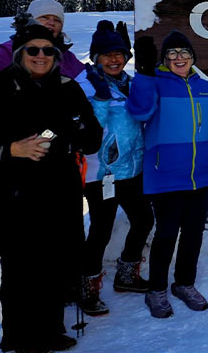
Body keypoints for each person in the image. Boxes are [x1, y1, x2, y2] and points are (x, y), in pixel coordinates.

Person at [0, 24, 102, 352]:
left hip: (60, 198)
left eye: (48, 50)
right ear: (19, 53)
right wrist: (9, 150)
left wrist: (67, 131)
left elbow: (91, 138)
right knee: (20, 276)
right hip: (13, 199)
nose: (41, 56)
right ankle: (18, 340)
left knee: (55, 271)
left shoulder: (68, 89)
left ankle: (50, 332)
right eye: (33, 50)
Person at [127, 30, 208, 318]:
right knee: (166, 234)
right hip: (166, 174)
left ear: (192, 57)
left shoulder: (205, 88)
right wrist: (144, 75)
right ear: (164, 59)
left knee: (193, 235)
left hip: (199, 175)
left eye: (184, 53)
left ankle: (184, 284)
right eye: (172, 53)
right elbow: (139, 112)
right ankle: (157, 290)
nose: (178, 58)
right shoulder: (156, 84)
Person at [77, 20, 155, 316]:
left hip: (132, 170)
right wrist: (99, 97)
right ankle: (88, 286)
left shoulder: (132, 83)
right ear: (95, 57)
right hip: (102, 173)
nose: (113, 59)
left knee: (144, 220)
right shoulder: (87, 83)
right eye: (106, 54)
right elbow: (89, 127)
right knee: (101, 230)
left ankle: (127, 274)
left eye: (119, 53)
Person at [0, 0, 85, 90]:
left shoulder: (66, 56)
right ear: (30, 20)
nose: (51, 22)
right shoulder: (9, 51)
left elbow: (88, 81)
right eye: (44, 17)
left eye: (57, 20)